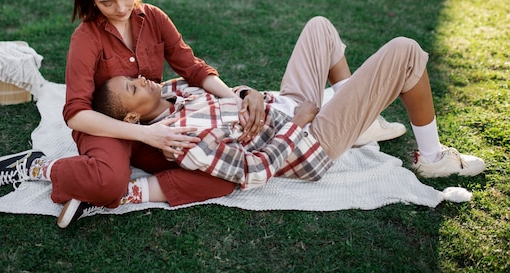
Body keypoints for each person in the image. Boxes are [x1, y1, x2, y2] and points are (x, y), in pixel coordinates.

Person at [0, 0, 404, 228]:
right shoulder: (85, 39)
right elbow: (76, 112)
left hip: (156, 124)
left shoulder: (152, 18)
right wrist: (145, 133)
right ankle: (40, 168)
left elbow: (193, 70)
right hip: (108, 123)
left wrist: (236, 98)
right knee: (108, 182)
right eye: (108, 3)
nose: (121, 8)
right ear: (91, 3)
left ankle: (129, 191)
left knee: (220, 177)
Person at [90, 17, 486, 190]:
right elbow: (253, 171)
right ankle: (432, 158)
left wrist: (251, 95)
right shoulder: (179, 139)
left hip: (285, 105)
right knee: (405, 51)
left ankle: (361, 123)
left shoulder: (175, 94)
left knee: (320, 28)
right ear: (131, 116)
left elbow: (234, 94)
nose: (141, 78)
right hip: (308, 141)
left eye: (133, 77)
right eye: (132, 87)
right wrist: (300, 123)